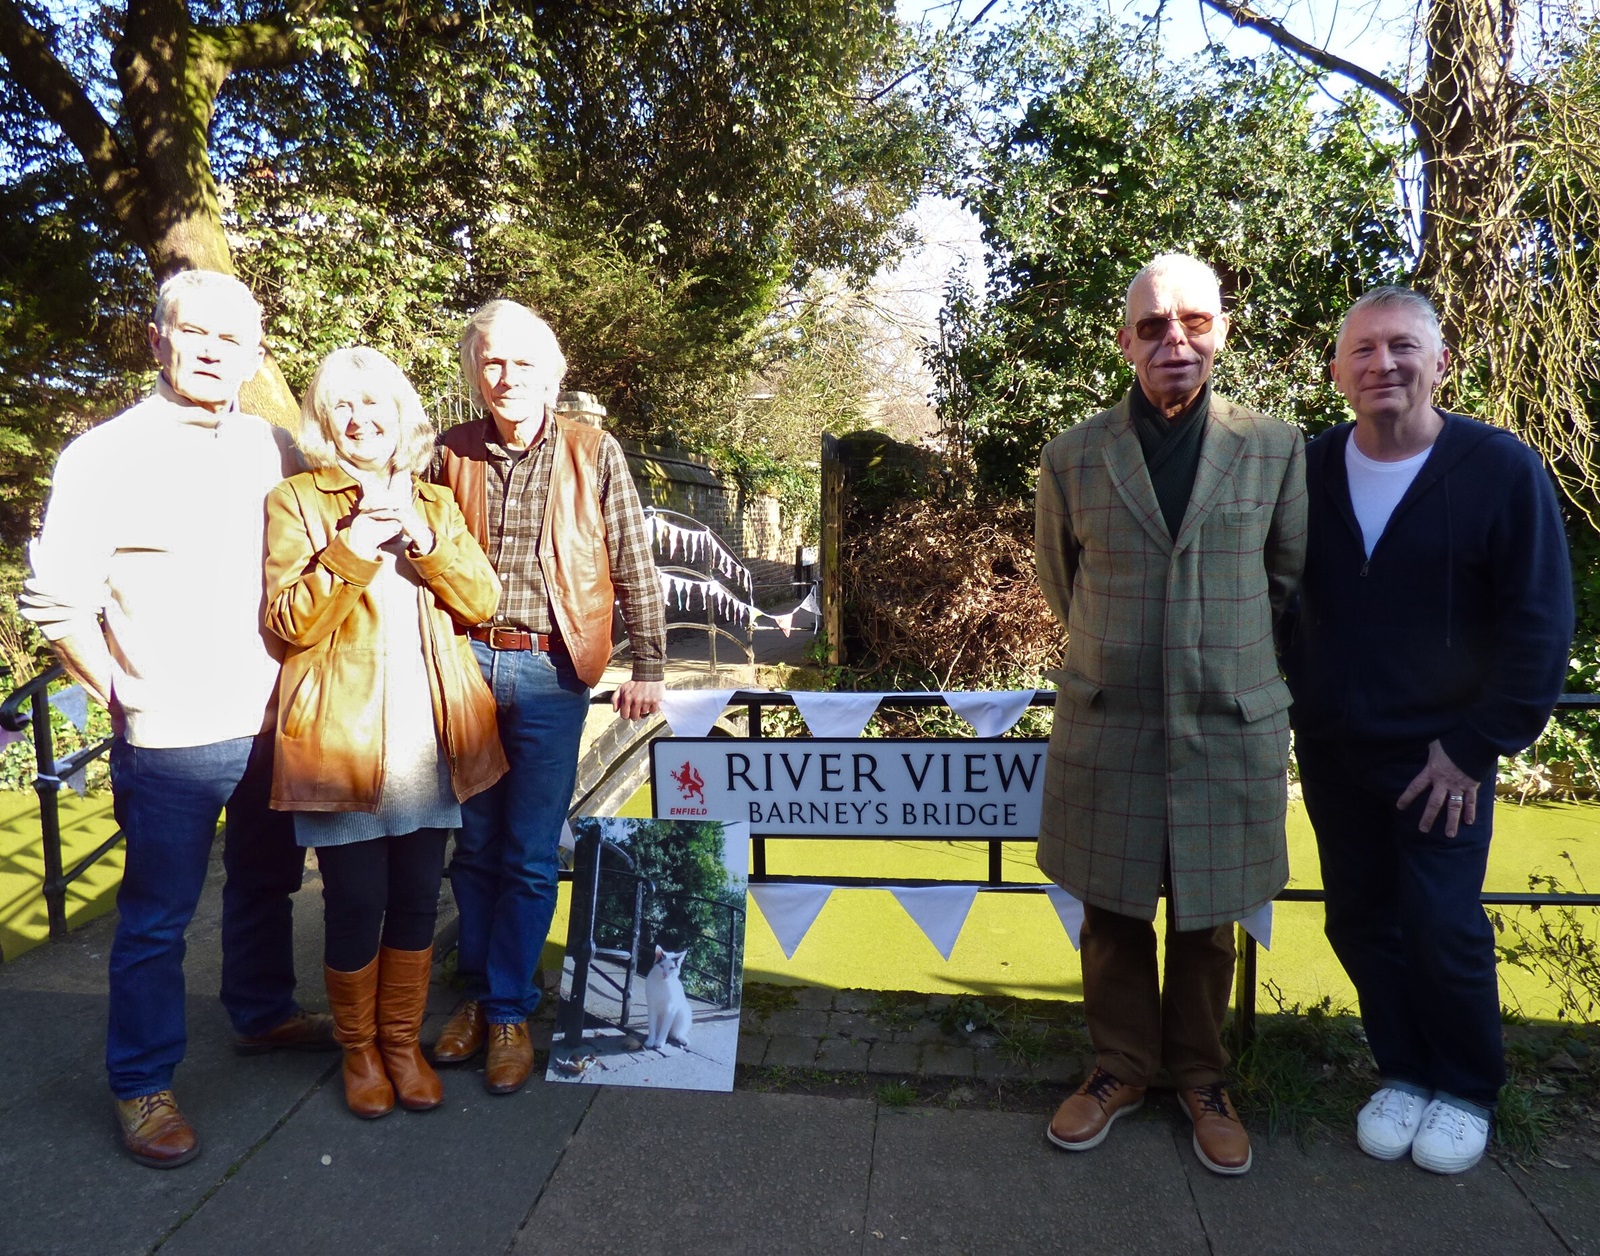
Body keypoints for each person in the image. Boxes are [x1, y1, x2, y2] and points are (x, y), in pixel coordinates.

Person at [20, 269, 332, 1169]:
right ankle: (142, 1084)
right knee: (157, 918)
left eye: (230, 339)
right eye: (192, 332)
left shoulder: (272, 445)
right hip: (170, 736)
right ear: (157, 340)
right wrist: (120, 694)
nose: (210, 350)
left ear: (253, 352)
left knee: (268, 883)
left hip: (276, 722)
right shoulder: (104, 455)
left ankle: (263, 1013)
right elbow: (58, 601)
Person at [1284, 286, 1573, 1174]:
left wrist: (1477, 745)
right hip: (1335, 752)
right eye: (1363, 350)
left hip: (1443, 760)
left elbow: (1539, 623)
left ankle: (1467, 1088)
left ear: (1440, 362)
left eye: (1403, 347)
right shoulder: (1310, 469)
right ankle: (1403, 1071)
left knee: (1442, 924)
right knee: (1360, 920)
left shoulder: (1498, 468)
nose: (1383, 365)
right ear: (1337, 371)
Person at [1034, 253, 1306, 1176]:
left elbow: (1287, 580)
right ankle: (1118, 1068)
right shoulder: (1071, 454)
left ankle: (1201, 1075)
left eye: (1192, 321)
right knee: (1111, 912)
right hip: (1109, 717)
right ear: (1125, 342)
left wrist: (1211, 660)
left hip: (1226, 719)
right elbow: (1060, 584)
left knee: (1207, 913)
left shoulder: (1276, 446)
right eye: (1151, 326)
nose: (1173, 341)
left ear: (1221, 330)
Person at [264, 347, 508, 1119]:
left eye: (376, 406)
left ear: (403, 416)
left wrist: (428, 548)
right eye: (344, 407)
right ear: (325, 420)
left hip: (429, 734)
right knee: (353, 902)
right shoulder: (296, 500)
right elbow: (287, 625)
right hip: (341, 738)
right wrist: (354, 549)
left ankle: (402, 1043)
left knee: (412, 899)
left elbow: (481, 601)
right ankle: (359, 1050)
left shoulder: (434, 503)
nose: (361, 420)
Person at [430, 300, 665, 1095]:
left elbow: (634, 561)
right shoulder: (447, 453)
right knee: (473, 848)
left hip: (550, 672)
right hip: (464, 669)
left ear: (553, 372)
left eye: (522, 362)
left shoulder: (592, 451)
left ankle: (508, 1010)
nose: (506, 377)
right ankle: (476, 996)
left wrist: (650, 669)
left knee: (529, 854)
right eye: (491, 362)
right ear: (473, 370)